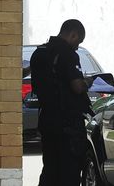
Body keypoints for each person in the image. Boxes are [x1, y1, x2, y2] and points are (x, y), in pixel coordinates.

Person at [30, 19, 90, 186]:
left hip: (47, 121)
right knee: (69, 171)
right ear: (73, 34)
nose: (77, 46)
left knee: (50, 168)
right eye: (78, 41)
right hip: (68, 124)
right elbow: (77, 87)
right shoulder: (68, 54)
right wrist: (88, 82)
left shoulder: (40, 52)